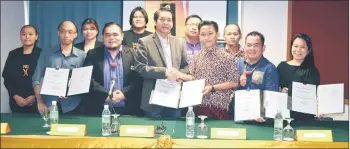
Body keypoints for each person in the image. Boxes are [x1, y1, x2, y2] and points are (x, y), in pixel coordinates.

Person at [133, 7, 192, 118]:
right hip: (154, 99)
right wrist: (165, 72)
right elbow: (140, 67)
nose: (166, 23)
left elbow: (186, 65)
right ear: (155, 22)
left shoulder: (180, 42)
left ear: (172, 23)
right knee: (154, 132)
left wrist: (179, 75)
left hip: (175, 96)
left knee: (174, 132)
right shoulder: (144, 42)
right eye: (162, 19)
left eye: (169, 20)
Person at [82, 22, 142, 116]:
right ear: (103, 37)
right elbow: (87, 80)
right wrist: (106, 94)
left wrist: (124, 94)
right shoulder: (92, 54)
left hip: (129, 110)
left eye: (115, 34)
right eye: (108, 35)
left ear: (122, 36)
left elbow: (138, 80)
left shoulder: (134, 54)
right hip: (99, 109)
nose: (111, 38)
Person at [32, 21, 86, 115]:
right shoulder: (46, 53)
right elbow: (36, 79)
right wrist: (40, 102)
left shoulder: (82, 56)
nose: (66, 35)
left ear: (75, 35)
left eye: (70, 32)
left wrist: (70, 90)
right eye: (63, 31)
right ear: (58, 33)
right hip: (48, 105)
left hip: (74, 106)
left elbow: (84, 82)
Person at [190, 21, 240, 120]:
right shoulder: (196, 57)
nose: (206, 37)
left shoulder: (227, 57)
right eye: (203, 34)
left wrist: (212, 88)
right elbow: (192, 78)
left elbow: (234, 82)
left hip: (220, 107)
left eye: (210, 34)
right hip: (199, 106)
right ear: (199, 36)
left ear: (217, 35)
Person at [229, 31, 279, 122]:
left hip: (258, 118)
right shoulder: (237, 64)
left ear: (263, 48)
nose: (252, 48)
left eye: (256, 45)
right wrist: (238, 83)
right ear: (244, 47)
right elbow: (228, 88)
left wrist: (264, 114)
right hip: (237, 116)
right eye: (249, 45)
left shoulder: (269, 68)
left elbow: (271, 95)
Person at [277, 33, 323, 121]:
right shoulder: (282, 67)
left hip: (306, 117)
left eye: (302, 47)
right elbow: (274, 90)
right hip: (285, 115)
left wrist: (319, 109)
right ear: (291, 47)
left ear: (308, 50)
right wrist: (281, 91)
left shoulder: (313, 71)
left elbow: (317, 95)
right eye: (295, 46)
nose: (298, 50)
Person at [2, 25, 42, 113]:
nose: (27, 37)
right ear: (20, 36)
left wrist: (35, 96)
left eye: (30, 34)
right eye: (23, 34)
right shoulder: (13, 54)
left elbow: (45, 78)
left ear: (36, 37)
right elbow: (7, 78)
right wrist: (15, 96)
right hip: (16, 101)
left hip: (38, 101)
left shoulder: (42, 54)